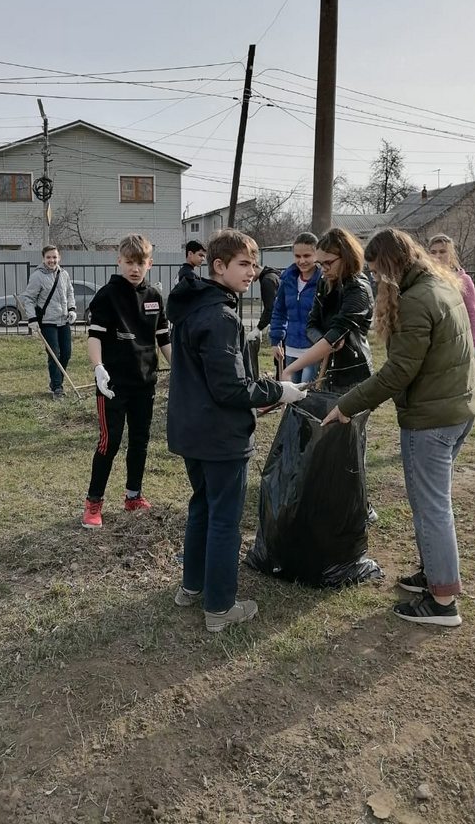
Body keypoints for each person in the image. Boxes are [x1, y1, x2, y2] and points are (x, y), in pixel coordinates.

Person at [323, 228, 475, 627]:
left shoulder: (416, 300)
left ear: (392, 265)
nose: (375, 280)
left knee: (431, 508)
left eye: (377, 272)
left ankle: (443, 601)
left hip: (432, 420)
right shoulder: (440, 285)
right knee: (433, 504)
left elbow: (398, 372)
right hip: (457, 410)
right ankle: (433, 574)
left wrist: (347, 405)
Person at [166, 228, 307, 632]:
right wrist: (278, 390)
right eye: (244, 264)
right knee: (224, 520)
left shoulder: (193, 305)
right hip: (220, 437)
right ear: (219, 266)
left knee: (202, 508)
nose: (253, 272)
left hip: (192, 431)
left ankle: (191, 588)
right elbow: (229, 388)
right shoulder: (220, 316)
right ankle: (220, 606)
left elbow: (217, 376)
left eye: (254, 264)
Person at [82, 234, 171, 529]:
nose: (135, 268)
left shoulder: (155, 298)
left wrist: (182, 370)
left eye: (141, 263)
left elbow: (164, 341)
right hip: (112, 385)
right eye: (130, 262)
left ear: (150, 263)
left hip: (145, 383)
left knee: (140, 441)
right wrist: (98, 367)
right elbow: (94, 336)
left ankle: (133, 495)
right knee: (110, 442)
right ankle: (93, 503)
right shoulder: (107, 295)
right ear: (119, 261)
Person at [280, 228, 374, 394]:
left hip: (351, 378)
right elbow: (311, 324)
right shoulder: (324, 283)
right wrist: (324, 341)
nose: (323, 269)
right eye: (320, 264)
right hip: (324, 372)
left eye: (328, 263)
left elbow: (336, 333)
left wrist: (289, 370)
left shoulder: (358, 290)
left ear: (346, 257)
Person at [20, 245, 76, 400]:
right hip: (47, 321)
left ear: (59, 258)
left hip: (63, 320)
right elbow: (29, 299)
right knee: (55, 354)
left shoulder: (63, 274)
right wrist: (32, 319)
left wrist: (72, 309)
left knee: (66, 354)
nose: (52, 260)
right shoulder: (37, 276)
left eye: (54, 257)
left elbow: (70, 292)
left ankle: (56, 383)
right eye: (49, 257)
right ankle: (57, 387)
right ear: (43, 258)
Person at [269, 232, 321, 383]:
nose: (302, 260)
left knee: (306, 394)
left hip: (313, 349)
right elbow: (279, 311)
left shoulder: (323, 281)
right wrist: (276, 341)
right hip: (291, 347)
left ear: (316, 255)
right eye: (298, 256)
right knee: (291, 394)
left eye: (307, 256)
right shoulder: (288, 279)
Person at [428, 233, 475, 362]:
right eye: (433, 252)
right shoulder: (425, 280)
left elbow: (471, 314)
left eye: (442, 251)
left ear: (451, 255)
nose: (438, 256)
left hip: (456, 343)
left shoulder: (463, 280)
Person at [245, 262, 282, 343]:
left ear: (254, 267)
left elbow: (270, 308)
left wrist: (258, 329)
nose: (248, 277)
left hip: (281, 324)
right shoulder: (273, 276)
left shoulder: (267, 280)